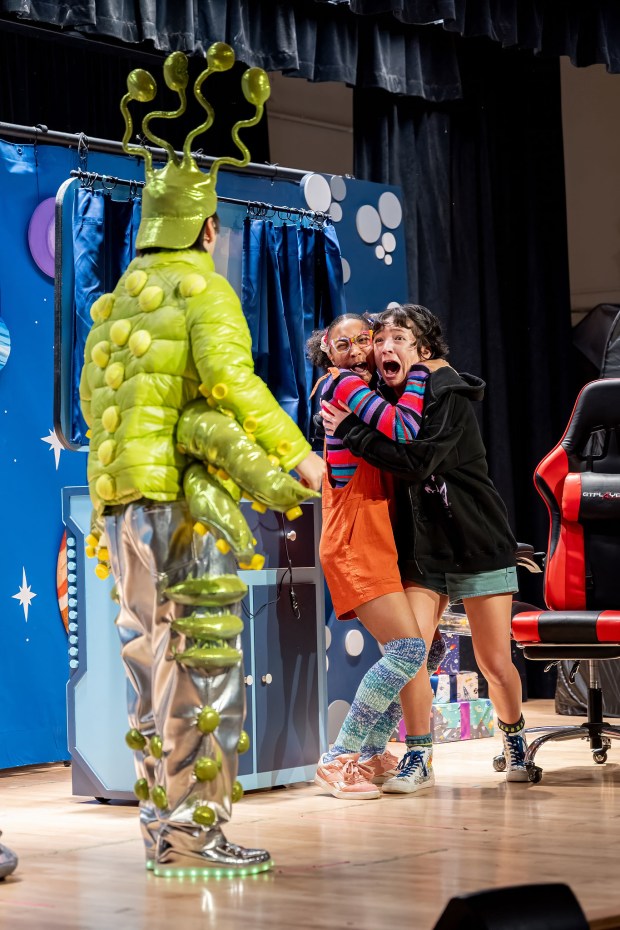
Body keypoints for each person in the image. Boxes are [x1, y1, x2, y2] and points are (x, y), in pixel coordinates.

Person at [79, 46, 323, 877]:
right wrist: (295, 454)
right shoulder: (203, 290)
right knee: (200, 665)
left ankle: (163, 828)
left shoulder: (113, 307)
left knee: (147, 663)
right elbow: (234, 382)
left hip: (119, 507)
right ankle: (196, 835)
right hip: (180, 507)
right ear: (209, 228)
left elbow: (94, 408)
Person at [322, 303, 528, 791]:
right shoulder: (376, 399)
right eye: (382, 339)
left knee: (494, 663)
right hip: (423, 549)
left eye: (400, 338)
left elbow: (416, 459)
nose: (384, 347)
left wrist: (349, 428)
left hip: (476, 541)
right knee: (410, 652)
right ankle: (418, 756)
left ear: (425, 352)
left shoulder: (445, 392)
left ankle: (514, 735)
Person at [307, 313, 444, 799]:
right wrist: (422, 372)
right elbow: (406, 428)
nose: (354, 349)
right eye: (340, 343)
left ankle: (370, 756)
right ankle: (338, 758)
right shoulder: (342, 385)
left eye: (362, 339)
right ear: (326, 351)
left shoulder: (362, 390)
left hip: (374, 534)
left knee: (411, 652)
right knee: (408, 651)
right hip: (352, 537)